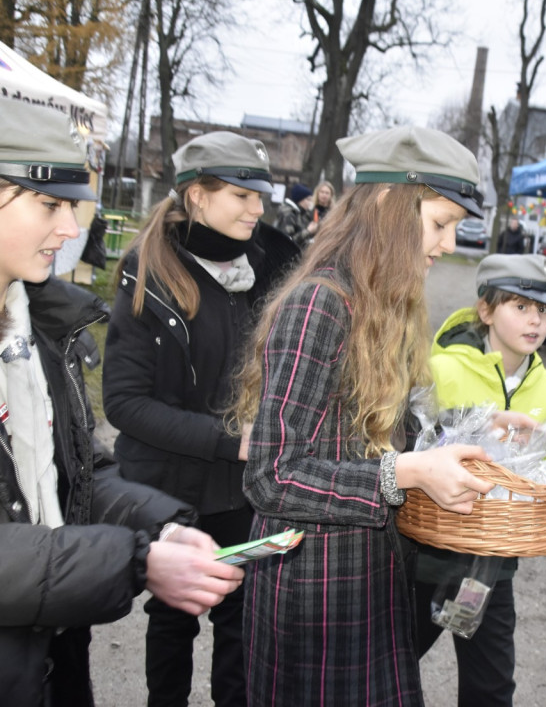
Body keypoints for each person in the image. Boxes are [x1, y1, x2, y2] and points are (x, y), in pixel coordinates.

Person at [234, 126, 527, 707]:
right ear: (393, 204)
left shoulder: (381, 304)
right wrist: (407, 475)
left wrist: (475, 425)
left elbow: (387, 434)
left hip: (370, 574)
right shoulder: (320, 303)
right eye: (440, 223)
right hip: (312, 590)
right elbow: (272, 475)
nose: (446, 244)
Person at [0, 98, 244, 706]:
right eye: (49, 205)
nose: (71, 231)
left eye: (71, 207)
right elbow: (130, 404)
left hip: (50, 654)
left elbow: (71, 476)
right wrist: (137, 558)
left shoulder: (40, 329)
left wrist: (158, 522)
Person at [101, 131, 298, 707]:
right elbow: (125, 403)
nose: (257, 209)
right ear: (195, 196)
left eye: (261, 195)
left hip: (243, 491)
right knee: (174, 619)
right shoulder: (151, 271)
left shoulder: (270, 261)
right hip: (171, 487)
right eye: (241, 194)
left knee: (240, 620)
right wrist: (232, 442)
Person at [416, 253, 546, 706]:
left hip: (494, 564)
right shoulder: (440, 367)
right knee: (392, 664)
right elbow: (409, 438)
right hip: (425, 555)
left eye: (543, 310)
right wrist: (477, 424)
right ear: (485, 310)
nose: (535, 320)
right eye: (520, 306)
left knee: (492, 686)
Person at [273, 182, 317, 249]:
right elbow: (288, 240)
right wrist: (308, 231)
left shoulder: (299, 213)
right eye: (308, 200)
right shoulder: (289, 214)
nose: (310, 203)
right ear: (300, 199)